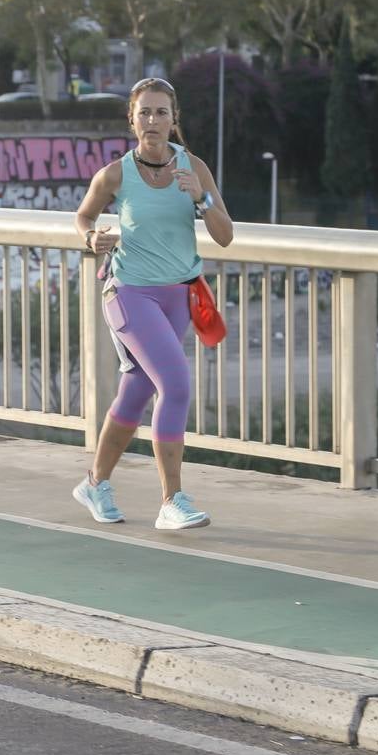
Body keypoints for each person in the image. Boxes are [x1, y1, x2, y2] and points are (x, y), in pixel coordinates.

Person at [73, 77, 234, 530]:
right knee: (176, 384)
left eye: (161, 112)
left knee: (138, 390)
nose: (153, 121)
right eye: (144, 112)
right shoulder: (115, 174)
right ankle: (171, 500)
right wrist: (91, 237)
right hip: (129, 293)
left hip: (178, 296)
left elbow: (224, 235)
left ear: (173, 120)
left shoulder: (194, 168)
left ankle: (95, 483)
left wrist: (200, 198)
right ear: (132, 120)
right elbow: (84, 215)